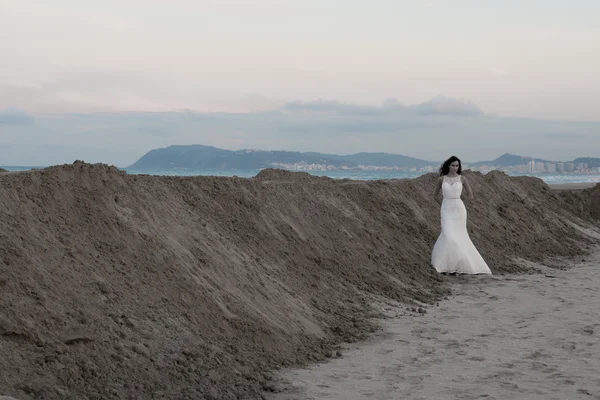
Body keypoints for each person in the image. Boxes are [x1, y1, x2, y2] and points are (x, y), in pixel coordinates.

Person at [431, 156, 492, 275]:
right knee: (447, 235)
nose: (455, 168)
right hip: (446, 209)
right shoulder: (441, 179)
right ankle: (445, 265)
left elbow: (470, 195)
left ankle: (459, 265)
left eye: (457, 165)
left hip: (459, 210)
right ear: (448, 165)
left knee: (460, 236)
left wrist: (459, 203)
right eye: (453, 165)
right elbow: (435, 196)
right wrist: (444, 204)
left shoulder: (462, 179)